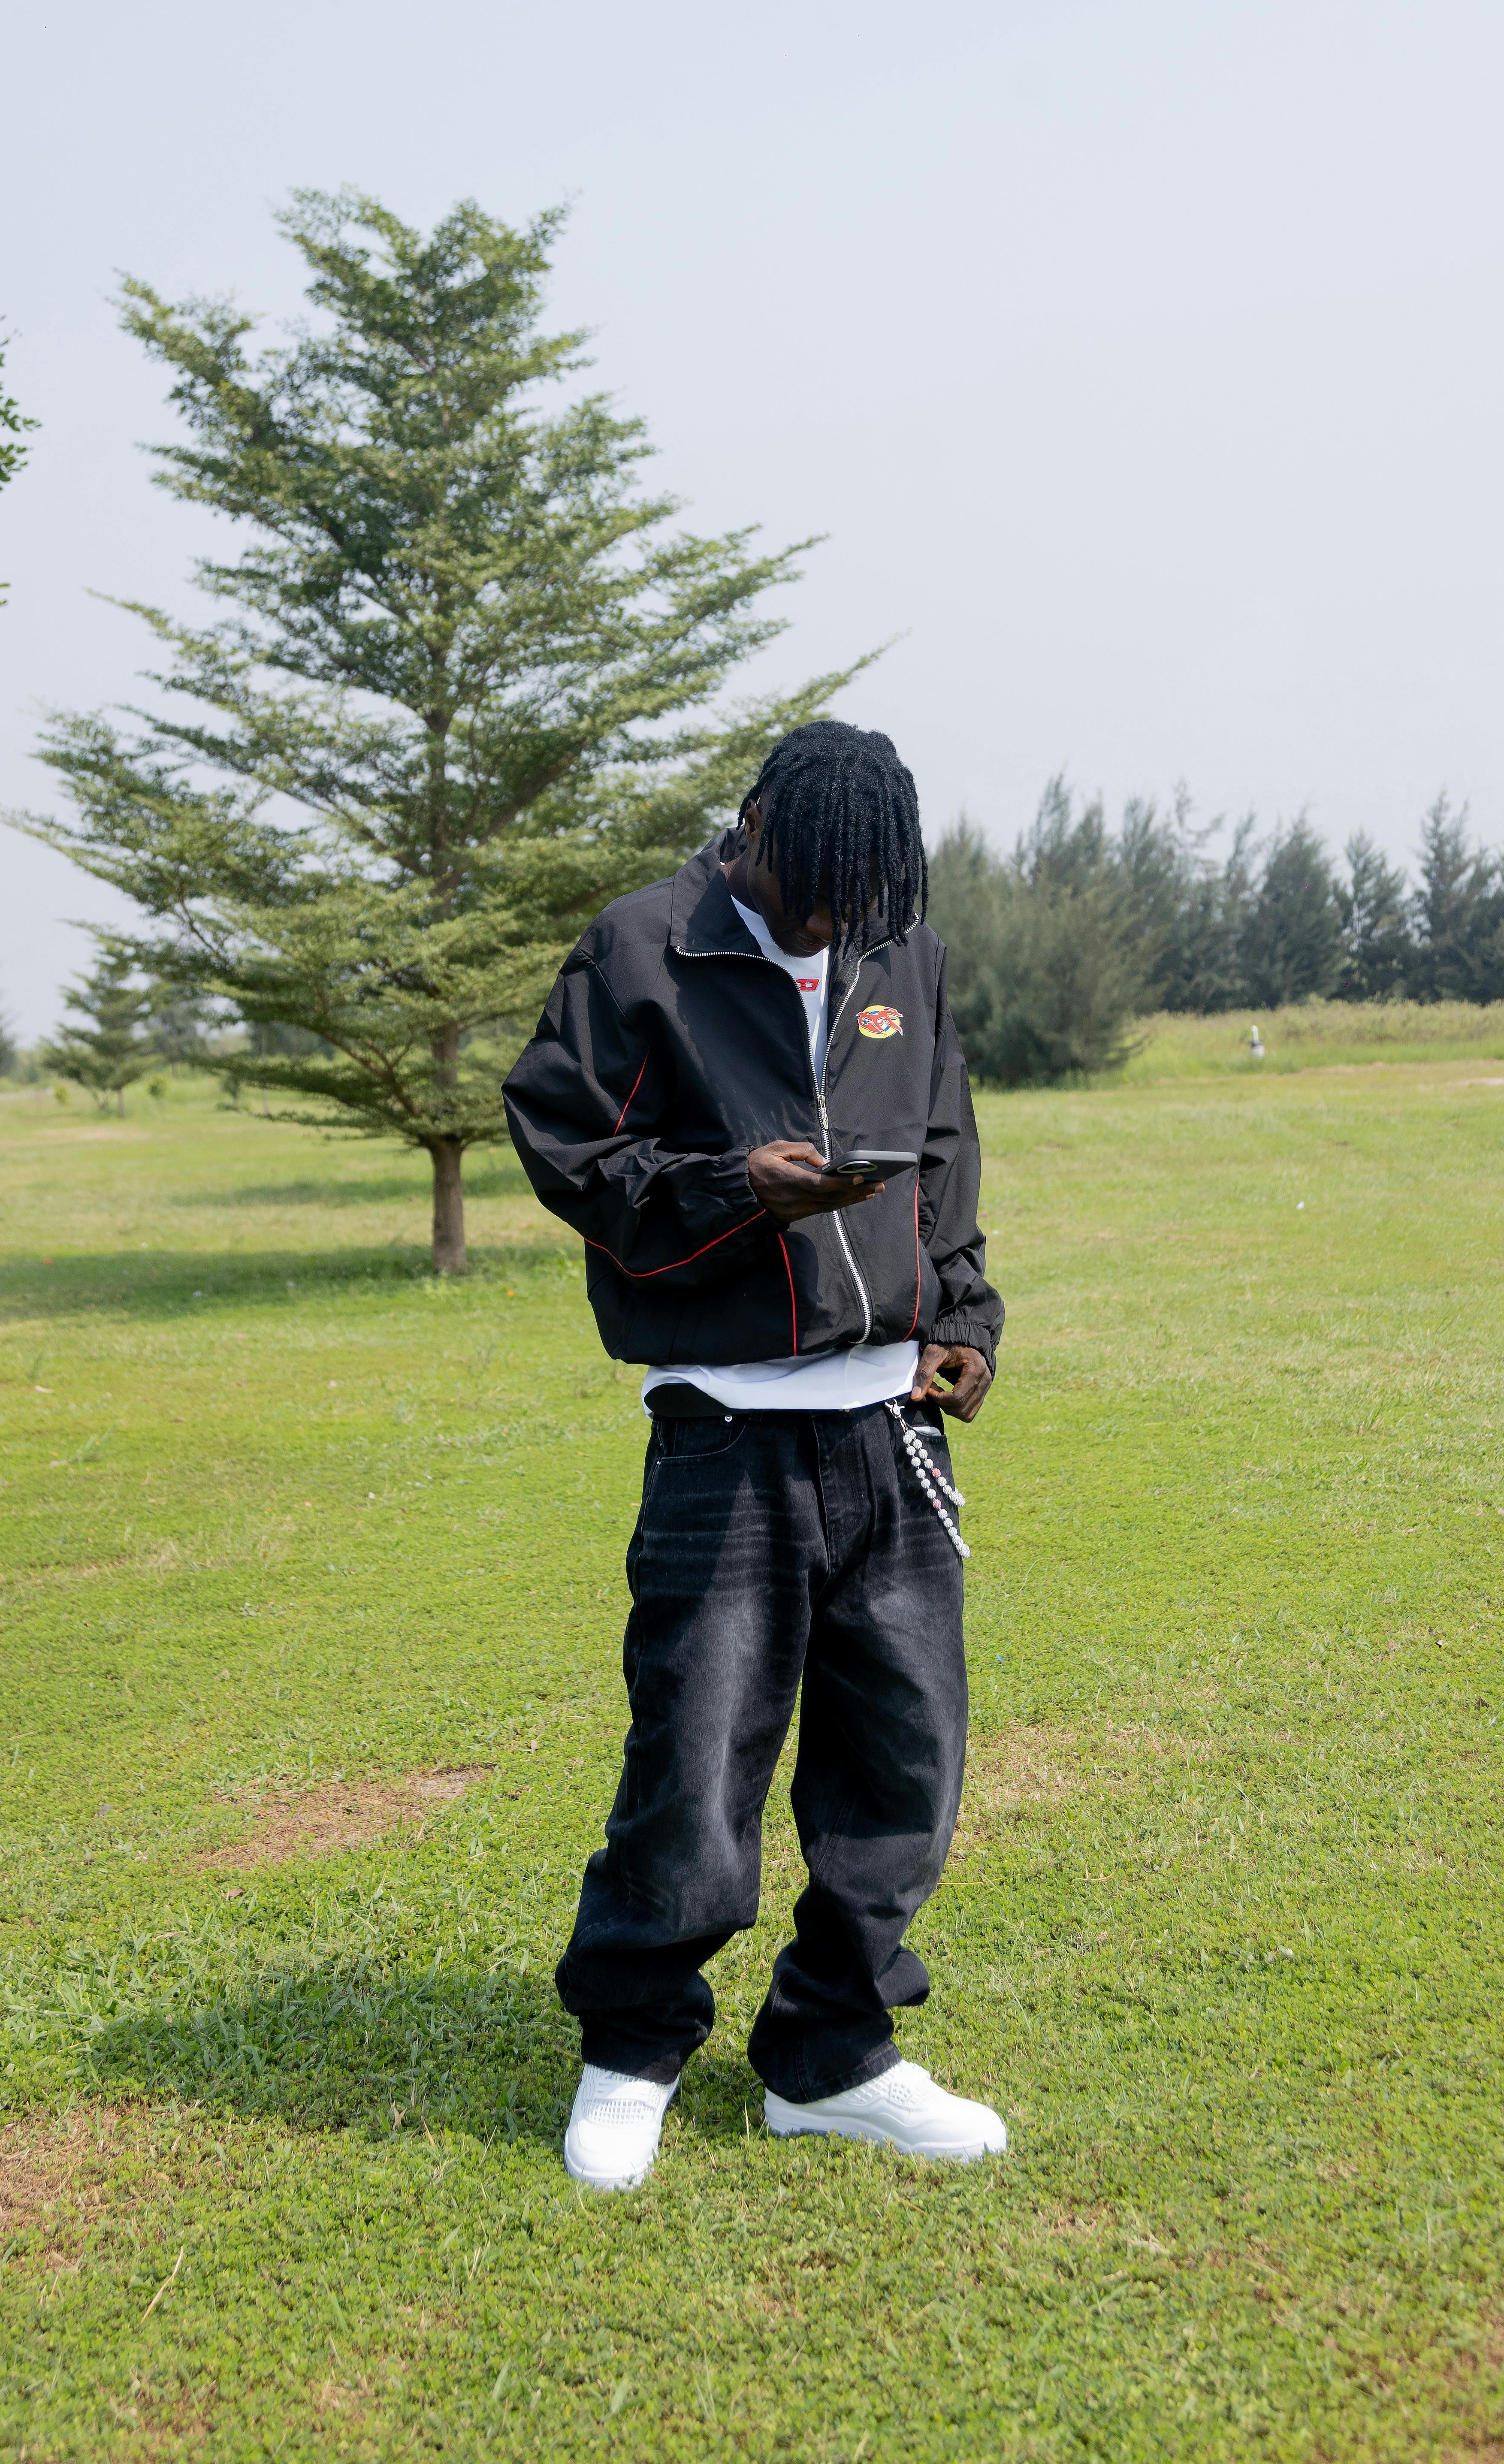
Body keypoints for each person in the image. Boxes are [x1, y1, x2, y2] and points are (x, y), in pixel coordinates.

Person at [503, 719, 1007, 2190]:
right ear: (761, 827)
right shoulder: (642, 949)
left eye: (864, 901)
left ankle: (833, 2057)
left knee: (904, 1762)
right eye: (818, 891)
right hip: (727, 1430)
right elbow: (564, 1149)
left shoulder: (893, 943)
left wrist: (963, 1317)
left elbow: (948, 1150)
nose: (836, 923)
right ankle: (632, 2053)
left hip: (890, 1432)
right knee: (695, 1758)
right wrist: (737, 1188)